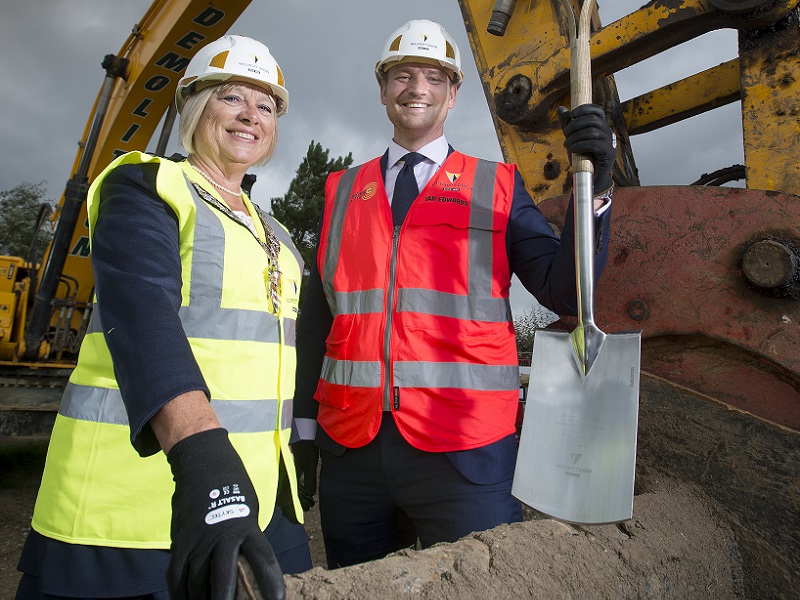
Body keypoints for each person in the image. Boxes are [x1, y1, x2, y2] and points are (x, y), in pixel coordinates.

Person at [290, 19, 616, 569]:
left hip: (467, 452)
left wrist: (598, 189)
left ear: (453, 93)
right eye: (403, 75)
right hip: (351, 449)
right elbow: (319, 320)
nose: (417, 88)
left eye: (434, 77)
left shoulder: (499, 185)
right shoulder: (342, 191)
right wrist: (303, 433)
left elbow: (566, 292)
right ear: (383, 89)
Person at [16, 35, 310, 599]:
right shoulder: (147, 186)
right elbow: (145, 318)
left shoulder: (275, 234)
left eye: (266, 105)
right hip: (130, 512)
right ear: (194, 107)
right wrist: (204, 460)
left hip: (259, 503)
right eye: (231, 98)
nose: (251, 115)